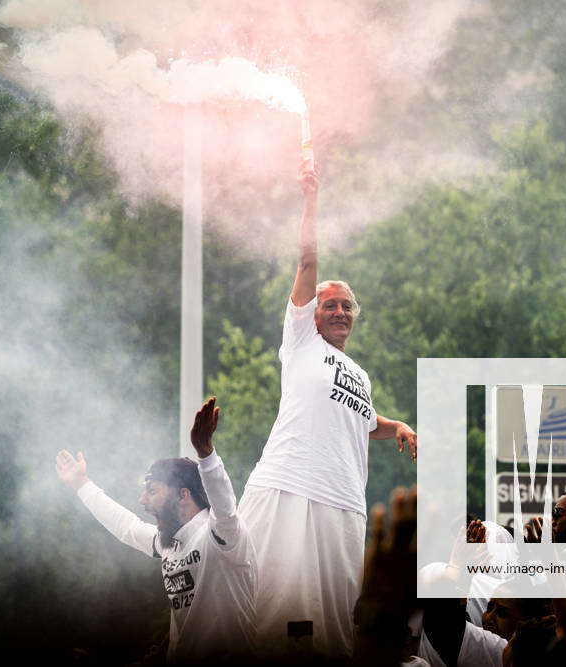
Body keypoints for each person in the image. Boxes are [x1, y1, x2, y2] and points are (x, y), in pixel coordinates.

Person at [238, 162, 418, 659]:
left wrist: (396, 424)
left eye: (346, 308)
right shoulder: (299, 344)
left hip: (345, 501)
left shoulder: (357, 373)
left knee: (336, 621)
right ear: (310, 314)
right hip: (291, 484)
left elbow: (363, 421)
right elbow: (306, 262)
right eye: (329, 305)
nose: (339, 312)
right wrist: (311, 200)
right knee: (274, 612)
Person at [55, 397, 256, 664]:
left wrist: (206, 453)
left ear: (182, 495)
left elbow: (225, 504)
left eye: (152, 491)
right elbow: (126, 526)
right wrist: (81, 483)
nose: (142, 500)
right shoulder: (168, 543)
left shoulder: (220, 534)